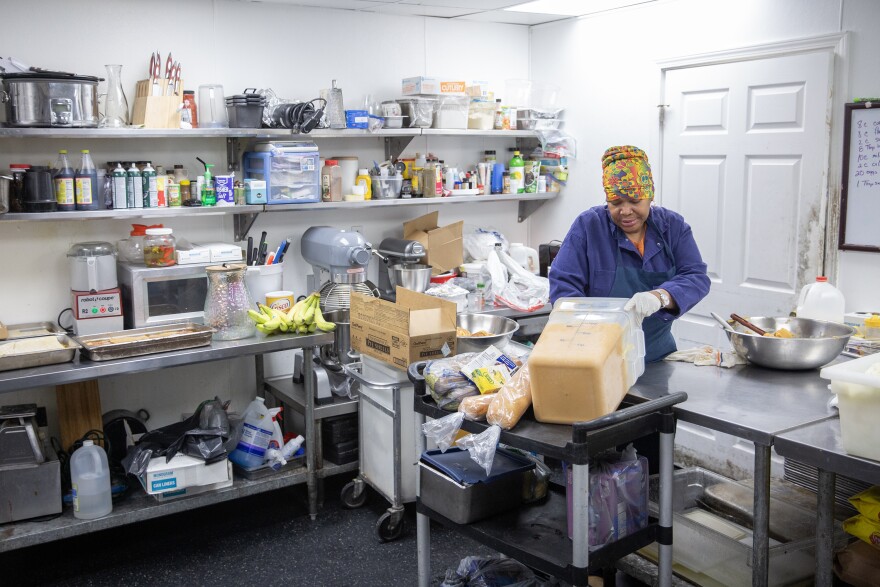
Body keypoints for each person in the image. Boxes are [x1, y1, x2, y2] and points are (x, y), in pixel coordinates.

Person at [549, 145, 710, 362]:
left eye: (634, 201)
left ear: (650, 196)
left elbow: (696, 277)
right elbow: (564, 287)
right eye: (615, 203)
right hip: (598, 357)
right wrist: (591, 327)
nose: (625, 211)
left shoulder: (673, 227)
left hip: (658, 358)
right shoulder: (589, 226)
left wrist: (661, 296)